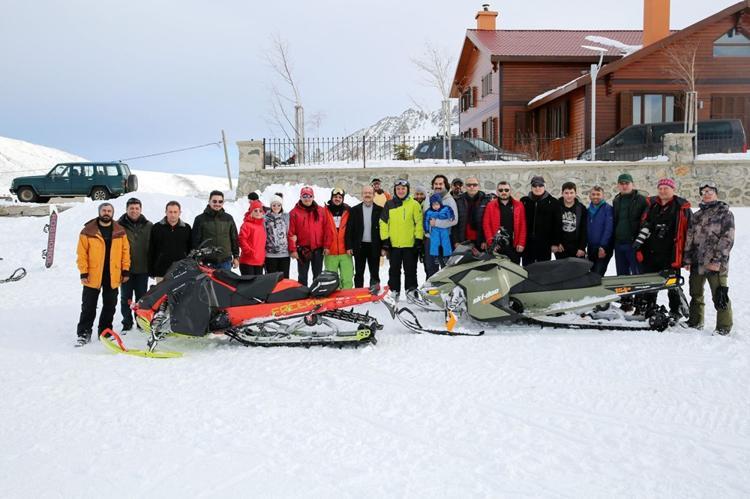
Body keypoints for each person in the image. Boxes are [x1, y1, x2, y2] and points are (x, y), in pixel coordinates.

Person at [633, 178, 691, 319]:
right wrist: (639, 247)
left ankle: (675, 311)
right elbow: (644, 225)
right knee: (650, 284)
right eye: (661, 188)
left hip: (671, 253)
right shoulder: (652, 205)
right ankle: (649, 308)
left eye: (666, 188)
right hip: (650, 253)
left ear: (673, 190)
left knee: (672, 284)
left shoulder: (681, 208)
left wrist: (687, 256)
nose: (663, 191)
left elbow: (690, 232)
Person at [75, 203, 131, 346]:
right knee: (88, 305)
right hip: (93, 274)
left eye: (109, 211)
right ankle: (84, 333)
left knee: (110, 305)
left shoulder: (119, 231)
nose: (106, 213)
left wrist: (125, 270)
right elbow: (82, 254)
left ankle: (105, 331)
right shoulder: (88, 231)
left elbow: (125, 252)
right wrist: (84, 272)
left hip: (113, 274)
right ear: (99, 212)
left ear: (113, 213)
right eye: (104, 210)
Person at [683, 182, 734, 335]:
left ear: (716, 193)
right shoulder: (697, 215)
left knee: (719, 295)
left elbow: (728, 238)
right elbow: (690, 237)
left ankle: (723, 327)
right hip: (697, 261)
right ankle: (695, 321)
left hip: (715, 263)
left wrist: (717, 260)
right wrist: (687, 258)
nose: (706, 193)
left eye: (710, 191)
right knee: (695, 293)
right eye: (704, 191)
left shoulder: (725, 213)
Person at [380, 179, 423, 299]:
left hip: (410, 245)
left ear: (407, 190)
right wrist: (385, 240)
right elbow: (383, 222)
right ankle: (394, 291)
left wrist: (418, 240)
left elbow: (419, 222)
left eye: (403, 189)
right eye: (398, 189)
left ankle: (411, 291)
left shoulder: (414, 204)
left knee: (410, 270)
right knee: (394, 270)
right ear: (395, 190)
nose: (400, 191)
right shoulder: (389, 204)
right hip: (394, 245)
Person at [117, 197, 152, 331]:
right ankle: (127, 323)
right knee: (126, 297)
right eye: (131, 208)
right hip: (126, 269)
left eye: (137, 208)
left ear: (141, 209)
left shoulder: (149, 225)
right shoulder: (119, 225)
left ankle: (140, 322)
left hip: (143, 269)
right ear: (126, 209)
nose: (134, 211)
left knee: (141, 298)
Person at [289, 186, 328, 286]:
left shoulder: (321, 211)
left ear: (313, 197)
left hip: (318, 249)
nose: (307, 198)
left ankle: (317, 295)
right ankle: (303, 296)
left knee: (318, 275)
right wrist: (293, 250)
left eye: (309, 196)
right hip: (303, 250)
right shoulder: (294, 213)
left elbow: (326, 229)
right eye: (304, 196)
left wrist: (326, 246)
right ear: (301, 197)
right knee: (302, 276)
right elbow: (291, 233)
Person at [191, 190, 239, 270]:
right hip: (206, 262)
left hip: (225, 262)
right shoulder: (200, 219)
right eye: (214, 201)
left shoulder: (228, 218)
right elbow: (195, 241)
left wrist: (236, 256)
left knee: (224, 283)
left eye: (220, 201)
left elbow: (234, 238)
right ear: (209, 201)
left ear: (223, 203)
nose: (217, 204)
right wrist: (197, 258)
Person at [421, 175, 458, 277]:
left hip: (444, 238)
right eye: (436, 184)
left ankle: (445, 291)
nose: (438, 186)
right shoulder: (429, 198)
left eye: (440, 184)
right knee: (430, 267)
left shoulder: (449, 200)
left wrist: (437, 223)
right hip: (430, 239)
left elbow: (454, 220)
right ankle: (431, 291)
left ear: (445, 185)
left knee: (445, 267)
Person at [482, 181, 526, 264]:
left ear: (510, 191)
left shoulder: (519, 205)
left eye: (506, 190)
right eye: (501, 190)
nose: (504, 192)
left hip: (514, 245)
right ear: (497, 191)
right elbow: (486, 225)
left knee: (514, 270)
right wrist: (491, 243)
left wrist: (521, 243)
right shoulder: (490, 205)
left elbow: (522, 225)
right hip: (497, 246)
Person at [347, 185, 382, 289]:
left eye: (370, 193)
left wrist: (384, 246)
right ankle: (358, 292)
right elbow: (349, 230)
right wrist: (349, 246)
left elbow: (384, 230)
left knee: (374, 271)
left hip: (374, 246)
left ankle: (374, 291)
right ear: (362, 194)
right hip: (359, 246)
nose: (367, 195)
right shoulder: (354, 210)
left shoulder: (380, 210)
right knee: (359, 272)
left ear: (374, 195)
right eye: (365, 193)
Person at [613, 173, 648, 276]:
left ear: (632, 184)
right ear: (618, 185)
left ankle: (639, 293)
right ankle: (625, 293)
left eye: (627, 183)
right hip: (619, 244)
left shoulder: (641, 200)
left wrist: (639, 241)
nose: (624, 186)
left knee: (637, 275)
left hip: (634, 244)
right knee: (622, 275)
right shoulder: (616, 200)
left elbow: (647, 221)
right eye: (621, 183)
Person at [521, 175, 561, 266]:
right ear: (531, 187)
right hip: (528, 244)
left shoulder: (553, 202)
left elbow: (557, 224)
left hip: (544, 244)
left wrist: (555, 243)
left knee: (544, 271)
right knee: (527, 270)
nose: (537, 188)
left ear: (544, 186)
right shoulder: (524, 201)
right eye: (534, 185)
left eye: (540, 185)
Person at [149, 201, 192, 283]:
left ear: (180, 213)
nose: (173, 215)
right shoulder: (157, 227)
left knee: (180, 295)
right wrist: (151, 270)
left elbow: (190, 249)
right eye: (170, 212)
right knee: (162, 295)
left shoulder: (186, 228)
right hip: (161, 271)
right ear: (166, 212)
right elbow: (151, 249)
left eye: (175, 212)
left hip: (181, 271)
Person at [323, 188, 354, 289]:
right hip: (330, 251)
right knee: (331, 278)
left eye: (340, 197)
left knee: (347, 276)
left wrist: (351, 246)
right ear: (331, 198)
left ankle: (347, 297)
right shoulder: (324, 211)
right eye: (335, 197)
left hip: (345, 251)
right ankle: (334, 298)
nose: (337, 199)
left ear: (343, 199)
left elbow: (352, 230)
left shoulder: (348, 211)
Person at [455, 176, 490, 250]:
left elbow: (489, 223)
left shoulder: (486, 200)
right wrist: (456, 241)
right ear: (465, 187)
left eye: (474, 185)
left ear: (479, 186)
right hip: (463, 241)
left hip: (480, 242)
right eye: (469, 185)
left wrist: (485, 240)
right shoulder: (458, 201)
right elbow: (455, 223)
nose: (472, 187)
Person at [555, 182, 587, 260]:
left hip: (577, 248)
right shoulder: (556, 207)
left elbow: (584, 229)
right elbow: (552, 226)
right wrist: (556, 243)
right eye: (566, 193)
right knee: (562, 271)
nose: (569, 195)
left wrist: (582, 247)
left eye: (571, 193)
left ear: (575, 193)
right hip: (561, 247)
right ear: (562, 193)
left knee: (578, 271)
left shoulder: (581, 208)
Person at [586, 186, 614, 276]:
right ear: (590, 196)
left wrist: (603, 246)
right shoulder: (588, 210)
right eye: (593, 194)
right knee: (591, 274)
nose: (595, 196)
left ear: (603, 196)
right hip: (591, 248)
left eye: (598, 194)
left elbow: (608, 229)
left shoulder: (608, 209)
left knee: (598, 274)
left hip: (603, 248)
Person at [264, 195, 291, 278]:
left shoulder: (286, 217)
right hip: (270, 254)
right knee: (271, 279)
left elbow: (289, 232)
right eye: (274, 205)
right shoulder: (265, 219)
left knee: (284, 279)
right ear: (271, 206)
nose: (276, 207)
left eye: (278, 205)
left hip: (284, 254)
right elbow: (263, 235)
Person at [238, 200, 267, 276]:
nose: (258, 212)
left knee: (257, 286)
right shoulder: (246, 225)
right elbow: (242, 239)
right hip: (248, 261)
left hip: (259, 262)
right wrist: (249, 252)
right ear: (251, 212)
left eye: (260, 211)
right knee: (249, 286)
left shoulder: (261, 226)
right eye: (255, 210)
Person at [424, 194, 455, 263]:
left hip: (444, 228)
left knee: (445, 242)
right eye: (433, 205)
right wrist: (426, 230)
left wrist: (451, 217)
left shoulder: (445, 209)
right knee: (435, 242)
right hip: (434, 229)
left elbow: (450, 212)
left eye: (437, 204)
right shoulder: (429, 212)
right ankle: (435, 256)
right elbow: (426, 220)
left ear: (440, 203)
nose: (435, 207)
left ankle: (446, 256)